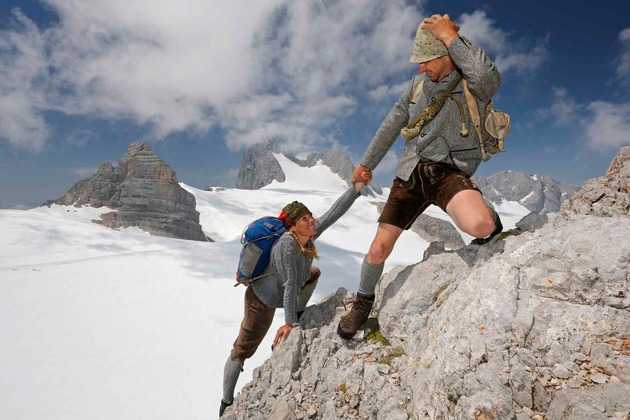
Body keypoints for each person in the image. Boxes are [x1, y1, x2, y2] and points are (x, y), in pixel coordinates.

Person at [337, 14, 503, 340]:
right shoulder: (414, 88)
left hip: (449, 173)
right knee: (377, 250)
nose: (420, 68)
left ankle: (491, 217)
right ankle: (363, 303)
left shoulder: (471, 84)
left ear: (446, 55)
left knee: (480, 226)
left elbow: (489, 76)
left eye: (425, 61)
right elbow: (389, 126)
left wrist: (451, 36)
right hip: (410, 175)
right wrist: (365, 164)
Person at [220, 172, 371, 417]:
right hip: (262, 301)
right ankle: (225, 403)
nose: (311, 220)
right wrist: (290, 324)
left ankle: (297, 313)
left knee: (313, 272)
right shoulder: (285, 246)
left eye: (310, 215)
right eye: (304, 218)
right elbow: (290, 285)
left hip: (283, 293)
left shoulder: (308, 235)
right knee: (242, 350)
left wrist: (356, 188)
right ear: (293, 225)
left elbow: (334, 212)